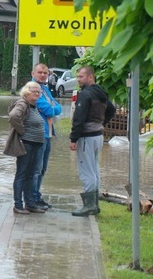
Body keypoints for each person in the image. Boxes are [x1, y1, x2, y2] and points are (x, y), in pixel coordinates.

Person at [69, 66, 116, 217]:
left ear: (90, 77)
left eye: (81, 76)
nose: (78, 79)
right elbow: (112, 109)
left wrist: (73, 138)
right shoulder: (100, 93)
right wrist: (102, 123)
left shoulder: (85, 94)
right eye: (78, 76)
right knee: (94, 169)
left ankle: (89, 206)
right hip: (98, 136)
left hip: (87, 137)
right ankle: (94, 204)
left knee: (86, 171)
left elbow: (79, 118)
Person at [7, 81, 47, 215]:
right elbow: (13, 116)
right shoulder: (22, 103)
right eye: (33, 91)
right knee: (22, 175)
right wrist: (22, 131)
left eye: (38, 91)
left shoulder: (33, 106)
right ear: (26, 92)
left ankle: (30, 204)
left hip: (36, 144)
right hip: (27, 144)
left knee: (31, 175)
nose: (36, 93)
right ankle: (18, 205)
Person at [31, 63, 62, 209]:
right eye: (40, 72)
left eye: (45, 73)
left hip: (47, 134)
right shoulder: (32, 88)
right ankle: (32, 199)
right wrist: (53, 108)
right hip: (37, 134)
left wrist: (53, 108)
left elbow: (58, 107)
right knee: (36, 169)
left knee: (42, 168)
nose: (43, 75)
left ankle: (36, 195)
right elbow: (49, 110)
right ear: (33, 73)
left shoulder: (44, 88)